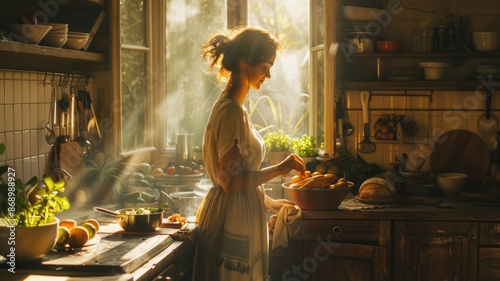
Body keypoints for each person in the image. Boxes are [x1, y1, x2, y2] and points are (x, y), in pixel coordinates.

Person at [191, 26, 306, 281]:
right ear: (245, 63)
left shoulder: (236, 107)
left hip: (238, 213)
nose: (269, 75)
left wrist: (269, 202)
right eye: (265, 66)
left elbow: (241, 176)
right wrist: (279, 168)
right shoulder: (231, 111)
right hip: (230, 219)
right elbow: (230, 182)